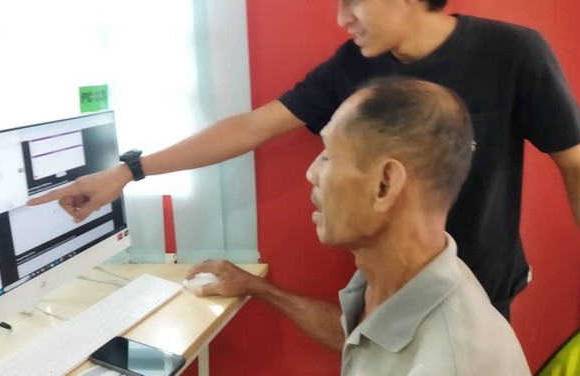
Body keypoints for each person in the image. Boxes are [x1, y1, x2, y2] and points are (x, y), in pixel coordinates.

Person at [28, 0, 580, 320]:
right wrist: (129, 172)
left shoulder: (513, 53)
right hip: (386, 293)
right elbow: (252, 127)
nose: (342, 18)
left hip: (481, 291)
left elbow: (577, 165)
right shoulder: (354, 67)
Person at [185, 78, 532, 375]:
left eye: (327, 155)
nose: (311, 173)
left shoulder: (448, 363)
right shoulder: (409, 276)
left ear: (384, 184)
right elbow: (361, 337)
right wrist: (257, 287)